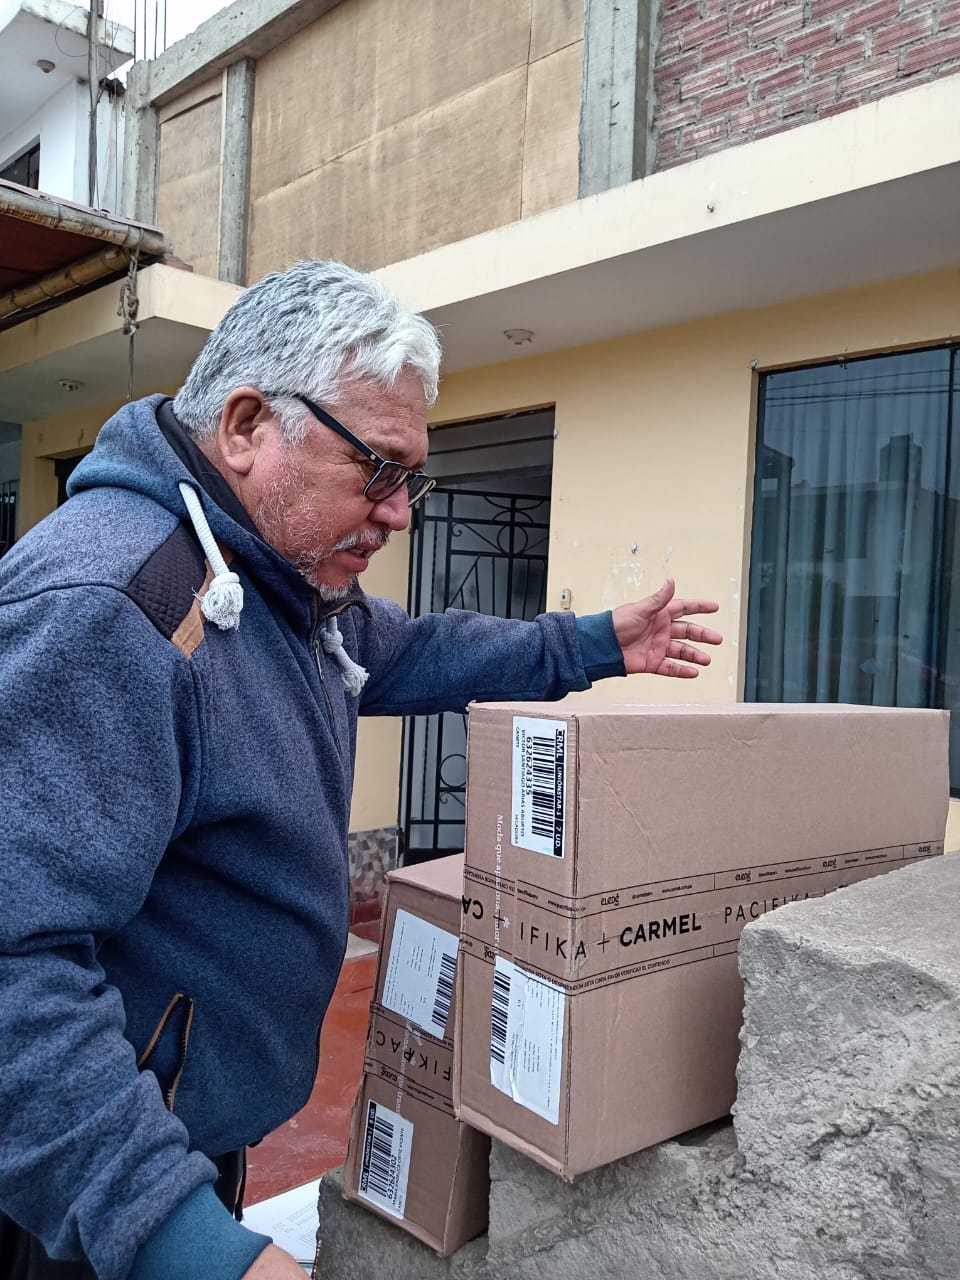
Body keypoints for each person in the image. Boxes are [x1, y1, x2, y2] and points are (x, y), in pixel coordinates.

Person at [0, 261, 722, 1280]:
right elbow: (13, 968)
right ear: (247, 426)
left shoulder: (277, 588)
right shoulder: (117, 608)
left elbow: (418, 650)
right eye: (379, 469)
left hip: (174, 1148)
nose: (399, 513)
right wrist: (183, 1243)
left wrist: (595, 643)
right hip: (70, 1207)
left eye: (410, 479)